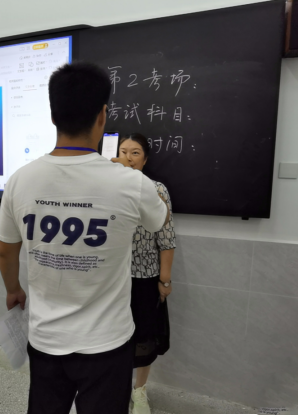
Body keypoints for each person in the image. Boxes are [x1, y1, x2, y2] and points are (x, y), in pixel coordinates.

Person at [0, 62, 170, 414]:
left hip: (45, 338)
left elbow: (5, 251)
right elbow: (159, 219)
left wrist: (13, 289)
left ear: (52, 115)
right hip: (107, 342)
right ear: (103, 115)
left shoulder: (20, 180)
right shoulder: (132, 183)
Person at [119, 133, 176, 414]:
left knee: (144, 338)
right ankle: (116, 388)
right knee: (114, 339)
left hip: (144, 277)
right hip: (112, 279)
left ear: (145, 159)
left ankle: (139, 391)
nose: (128, 158)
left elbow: (166, 238)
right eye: (123, 151)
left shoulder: (156, 190)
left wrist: (164, 280)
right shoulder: (106, 188)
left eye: (135, 153)